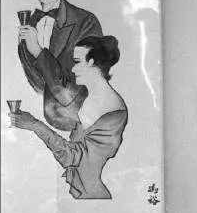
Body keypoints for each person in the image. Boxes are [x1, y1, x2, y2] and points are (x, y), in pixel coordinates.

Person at [10, 35, 128, 200]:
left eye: (77, 62)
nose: (73, 69)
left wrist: (34, 124)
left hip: (91, 195)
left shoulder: (112, 112)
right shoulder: (89, 97)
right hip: (82, 193)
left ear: (91, 62)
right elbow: (59, 85)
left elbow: (72, 156)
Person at [18, 0, 103, 131]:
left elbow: (76, 92)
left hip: (80, 124)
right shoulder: (29, 24)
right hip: (38, 120)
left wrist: (37, 51)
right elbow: (36, 83)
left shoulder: (86, 22)